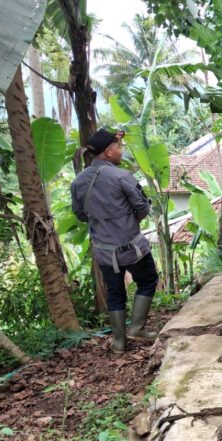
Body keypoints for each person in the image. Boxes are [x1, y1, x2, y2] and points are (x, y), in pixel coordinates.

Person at [70, 129, 159, 353]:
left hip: (103, 250)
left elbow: (80, 215)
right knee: (148, 279)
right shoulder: (121, 176)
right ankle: (137, 328)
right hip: (131, 246)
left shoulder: (78, 182)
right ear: (108, 152)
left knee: (114, 291)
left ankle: (119, 342)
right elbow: (142, 207)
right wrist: (129, 221)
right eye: (119, 147)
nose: (121, 151)